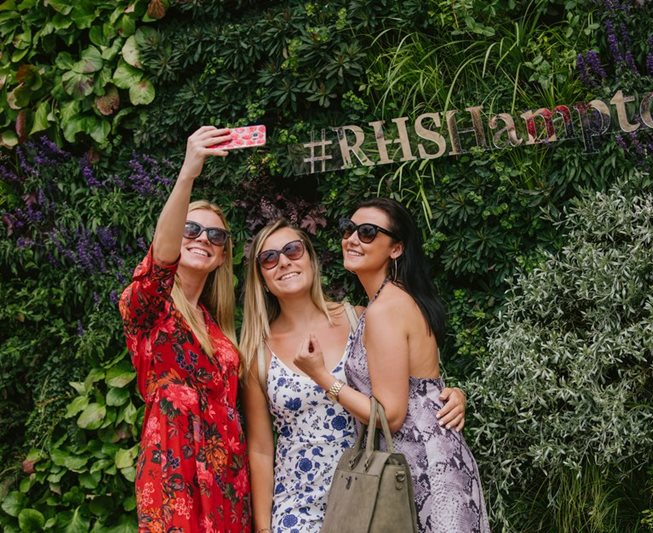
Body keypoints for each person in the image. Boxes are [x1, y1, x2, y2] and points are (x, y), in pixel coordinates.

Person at [239, 218, 467, 533]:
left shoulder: (359, 318)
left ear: (311, 260)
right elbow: (261, 449)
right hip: (297, 505)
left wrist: (452, 394)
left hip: (366, 492)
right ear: (262, 279)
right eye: (269, 258)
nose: (284, 262)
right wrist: (264, 528)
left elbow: (410, 381)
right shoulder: (257, 352)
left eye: (293, 250)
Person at [295, 197, 489, 532]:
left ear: (396, 249)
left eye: (368, 232)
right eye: (348, 229)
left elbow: (391, 415)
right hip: (425, 460)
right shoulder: (393, 300)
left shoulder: (386, 309)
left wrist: (322, 377)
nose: (352, 239)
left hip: (421, 469)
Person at [119, 126, 251, 531]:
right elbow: (161, 261)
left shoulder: (218, 328)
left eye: (215, 235)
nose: (202, 239)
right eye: (190, 229)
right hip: (174, 476)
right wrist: (188, 174)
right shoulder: (150, 309)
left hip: (228, 485)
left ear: (223, 255)